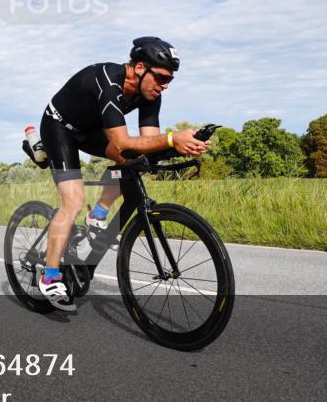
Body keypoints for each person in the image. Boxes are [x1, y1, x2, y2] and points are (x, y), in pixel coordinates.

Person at [36, 37, 211, 310]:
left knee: (136, 161)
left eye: (170, 80)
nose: (165, 86)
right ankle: (49, 276)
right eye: (162, 78)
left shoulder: (151, 96)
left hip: (92, 130)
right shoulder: (109, 81)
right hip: (60, 128)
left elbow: (148, 143)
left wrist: (182, 146)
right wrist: (172, 138)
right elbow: (121, 143)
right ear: (139, 67)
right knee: (73, 202)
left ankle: (99, 215)